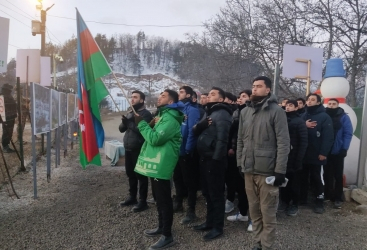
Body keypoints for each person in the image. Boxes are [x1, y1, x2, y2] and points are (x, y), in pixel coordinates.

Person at [237, 76, 290, 250]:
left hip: (267, 172)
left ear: (268, 90)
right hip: (249, 170)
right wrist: (240, 162)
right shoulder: (245, 112)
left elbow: (283, 143)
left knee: (267, 212)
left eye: (259, 86)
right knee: (254, 210)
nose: (254, 89)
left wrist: (280, 171)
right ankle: (258, 243)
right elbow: (240, 140)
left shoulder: (276, 111)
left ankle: (267, 246)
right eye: (253, 86)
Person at [134, 90, 184, 250]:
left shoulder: (170, 118)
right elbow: (153, 134)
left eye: (163, 96)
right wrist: (149, 125)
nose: (159, 97)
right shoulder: (162, 116)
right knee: (158, 197)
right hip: (156, 164)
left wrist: (141, 124)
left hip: (162, 164)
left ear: (170, 102)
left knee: (164, 199)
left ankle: (167, 235)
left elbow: (155, 139)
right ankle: (161, 226)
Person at [193, 87, 232, 241]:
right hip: (205, 158)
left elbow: (223, 139)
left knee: (216, 194)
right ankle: (209, 222)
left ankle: (218, 227)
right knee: (207, 193)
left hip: (214, 161)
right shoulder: (209, 112)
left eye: (213, 94)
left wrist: (217, 160)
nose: (209, 96)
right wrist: (200, 126)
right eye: (208, 94)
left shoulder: (222, 114)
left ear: (221, 99)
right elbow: (195, 130)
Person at [119, 91, 153, 212]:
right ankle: (132, 197)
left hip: (139, 148)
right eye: (131, 97)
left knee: (141, 175)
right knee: (130, 174)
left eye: (135, 97)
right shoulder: (130, 113)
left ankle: (142, 201)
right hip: (128, 147)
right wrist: (125, 122)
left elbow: (143, 131)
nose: (132, 99)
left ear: (142, 100)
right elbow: (121, 129)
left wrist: (130, 123)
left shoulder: (146, 114)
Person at [300, 93, 334, 214]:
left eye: (312, 100)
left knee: (317, 178)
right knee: (303, 177)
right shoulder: (304, 115)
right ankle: (302, 199)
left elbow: (328, 137)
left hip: (317, 154)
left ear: (318, 102)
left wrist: (324, 152)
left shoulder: (324, 117)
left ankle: (319, 200)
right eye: (308, 99)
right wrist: (304, 125)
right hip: (304, 154)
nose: (309, 102)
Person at [173, 86, 200, 225]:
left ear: (189, 95)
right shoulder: (178, 110)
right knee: (177, 178)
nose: (179, 94)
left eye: (182, 92)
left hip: (186, 152)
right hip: (176, 151)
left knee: (190, 182)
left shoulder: (193, 110)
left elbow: (192, 132)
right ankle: (178, 203)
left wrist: (188, 149)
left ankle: (191, 210)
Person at [226, 90, 252, 232]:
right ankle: (242, 213)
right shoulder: (237, 112)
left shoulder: (251, 113)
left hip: (248, 155)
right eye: (239, 96)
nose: (240, 99)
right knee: (240, 186)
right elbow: (235, 134)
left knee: (251, 190)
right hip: (237, 154)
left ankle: (254, 219)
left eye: (244, 96)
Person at [278, 100, 308, 216]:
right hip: (283, 157)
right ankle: (284, 201)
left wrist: (299, 159)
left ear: (296, 108)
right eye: (287, 105)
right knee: (283, 182)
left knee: (294, 183)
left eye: (291, 105)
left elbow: (303, 142)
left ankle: (294, 204)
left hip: (294, 157)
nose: (288, 107)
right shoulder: (282, 120)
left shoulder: (299, 122)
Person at [324, 98, 353, 209]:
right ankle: (328, 195)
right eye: (329, 103)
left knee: (338, 175)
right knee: (327, 174)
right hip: (326, 150)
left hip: (338, 150)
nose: (331, 105)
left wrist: (344, 148)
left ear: (337, 105)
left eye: (333, 104)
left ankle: (338, 198)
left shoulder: (344, 117)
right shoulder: (324, 115)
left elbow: (348, 133)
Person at [1, 83, 17, 153]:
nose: (10, 91)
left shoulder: (8, 95)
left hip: (11, 116)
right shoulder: (2, 96)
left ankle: (6, 145)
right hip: (6, 117)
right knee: (6, 132)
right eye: (9, 89)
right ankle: (5, 146)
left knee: (9, 132)